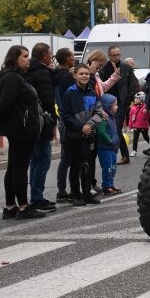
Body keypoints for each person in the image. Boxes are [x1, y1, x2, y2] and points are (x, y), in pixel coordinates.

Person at [0, 45, 45, 220]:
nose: (28, 59)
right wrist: (0, 122)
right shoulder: (12, 78)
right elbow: (4, 105)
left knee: (14, 167)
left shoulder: (16, 77)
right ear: (15, 59)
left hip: (19, 128)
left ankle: (10, 206)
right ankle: (23, 206)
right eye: (24, 56)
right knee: (20, 168)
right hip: (20, 129)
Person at [61, 63, 101, 206]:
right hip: (74, 135)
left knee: (88, 164)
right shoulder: (69, 93)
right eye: (81, 74)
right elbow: (66, 115)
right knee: (76, 165)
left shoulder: (92, 92)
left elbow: (99, 112)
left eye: (86, 74)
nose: (84, 76)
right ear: (75, 75)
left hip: (90, 134)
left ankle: (86, 194)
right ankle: (76, 195)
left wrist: (89, 126)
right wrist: (80, 127)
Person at [25, 43, 57, 213]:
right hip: (42, 122)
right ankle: (37, 197)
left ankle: (36, 196)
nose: (51, 56)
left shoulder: (28, 71)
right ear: (44, 55)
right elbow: (47, 99)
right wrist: (52, 119)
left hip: (31, 122)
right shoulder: (43, 72)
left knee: (35, 160)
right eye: (49, 54)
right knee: (42, 159)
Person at [52, 47, 76, 203]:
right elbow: (71, 99)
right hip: (69, 119)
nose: (74, 58)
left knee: (65, 157)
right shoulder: (67, 77)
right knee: (71, 157)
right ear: (67, 59)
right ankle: (69, 190)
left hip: (61, 117)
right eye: (72, 56)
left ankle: (62, 190)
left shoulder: (53, 74)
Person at [91, 93, 121, 196]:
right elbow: (101, 132)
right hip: (105, 148)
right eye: (115, 105)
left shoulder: (112, 117)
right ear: (108, 106)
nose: (117, 106)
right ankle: (106, 186)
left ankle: (111, 184)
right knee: (107, 168)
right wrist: (110, 141)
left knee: (113, 168)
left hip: (112, 148)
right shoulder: (103, 118)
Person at [128, 92, 150, 156]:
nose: (135, 100)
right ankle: (134, 150)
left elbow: (148, 117)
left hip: (144, 126)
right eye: (135, 98)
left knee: (146, 137)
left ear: (142, 99)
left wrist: (147, 112)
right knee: (135, 138)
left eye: (138, 98)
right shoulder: (132, 108)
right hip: (136, 126)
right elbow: (130, 117)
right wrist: (130, 125)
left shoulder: (145, 107)